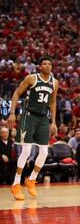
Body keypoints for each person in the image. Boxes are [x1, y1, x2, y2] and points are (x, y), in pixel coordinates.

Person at [7, 56, 58, 200]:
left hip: (43, 117)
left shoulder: (55, 82)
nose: (47, 66)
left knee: (44, 152)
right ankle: (16, 183)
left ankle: (31, 179)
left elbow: (53, 102)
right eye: (44, 64)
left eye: (50, 64)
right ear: (40, 67)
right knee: (27, 150)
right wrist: (12, 113)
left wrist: (53, 122)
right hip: (29, 116)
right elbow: (17, 93)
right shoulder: (31, 78)